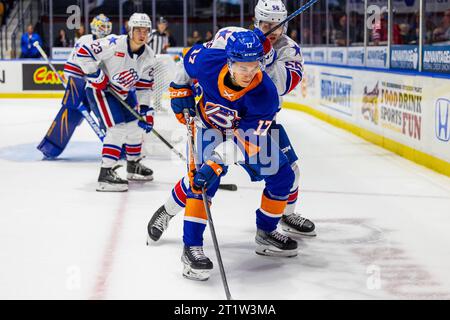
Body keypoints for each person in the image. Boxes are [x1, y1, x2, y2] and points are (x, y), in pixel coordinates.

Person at [147, 0, 315, 247]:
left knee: (288, 173)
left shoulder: (290, 50)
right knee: (202, 181)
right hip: (214, 119)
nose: (274, 29)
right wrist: (179, 87)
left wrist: (264, 55)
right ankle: (168, 211)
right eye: (267, 23)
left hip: (255, 121)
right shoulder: (231, 37)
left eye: (278, 24)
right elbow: (196, 58)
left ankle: (283, 217)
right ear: (257, 22)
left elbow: (279, 86)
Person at [76, 13, 156, 191]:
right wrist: (96, 75)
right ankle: (105, 174)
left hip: (124, 93)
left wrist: (145, 110)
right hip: (101, 91)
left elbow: (144, 85)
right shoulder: (113, 43)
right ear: (130, 29)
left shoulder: (149, 55)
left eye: (146, 30)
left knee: (136, 125)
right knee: (117, 129)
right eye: (138, 30)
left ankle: (133, 164)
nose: (142, 34)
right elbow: (82, 53)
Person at [37, 14, 113, 159]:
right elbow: (76, 64)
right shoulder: (86, 39)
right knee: (70, 110)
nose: (104, 29)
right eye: (102, 26)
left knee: (101, 109)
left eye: (106, 26)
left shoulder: (109, 42)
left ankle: (113, 144)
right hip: (77, 79)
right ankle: (50, 146)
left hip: (93, 81)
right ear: (95, 26)